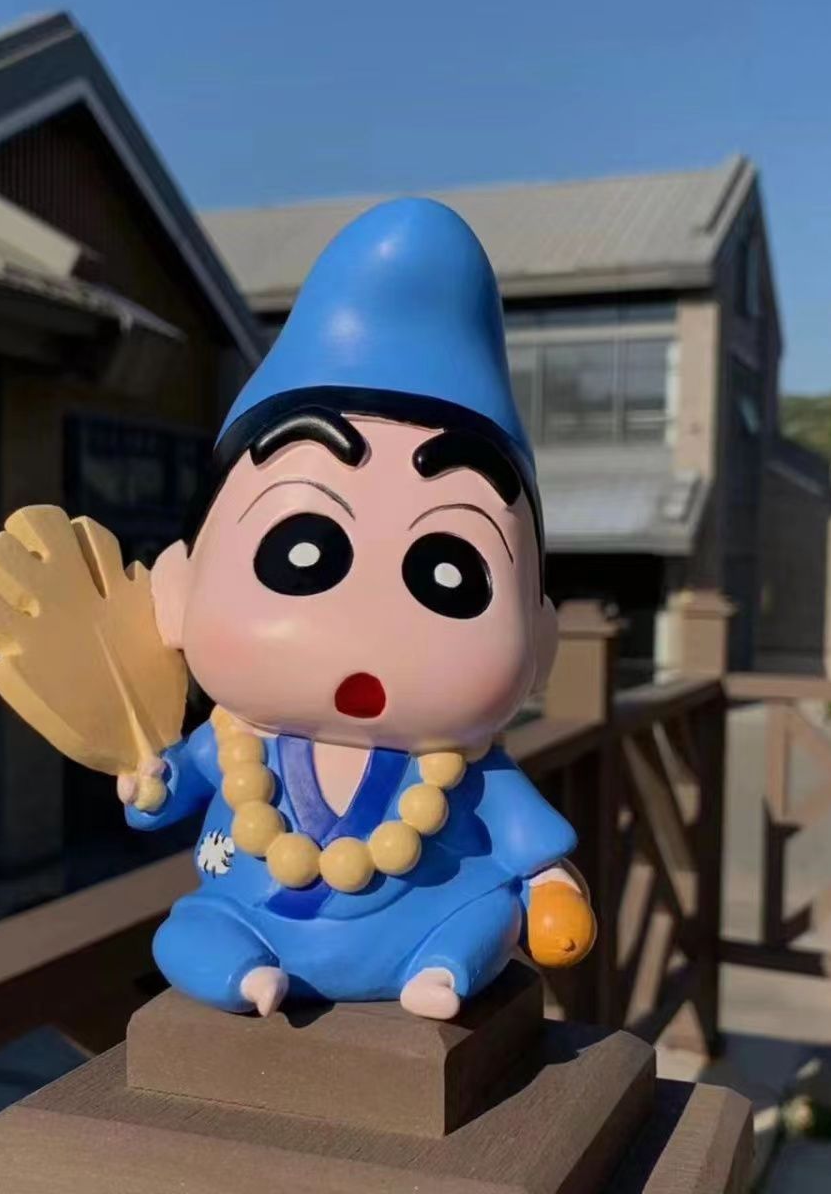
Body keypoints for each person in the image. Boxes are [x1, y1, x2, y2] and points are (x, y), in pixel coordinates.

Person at [117, 198, 595, 1021]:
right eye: (301, 552)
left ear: (539, 641)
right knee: (188, 928)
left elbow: (528, 850)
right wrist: (151, 783)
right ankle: (241, 971)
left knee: (485, 914)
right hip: (248, 909)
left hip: (423, 922)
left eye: (449, 573)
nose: (368, 630)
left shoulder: (463, 765)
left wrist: (551, 885)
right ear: (179, 591)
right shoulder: (231, 740)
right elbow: (159, 798)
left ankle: (443, 967)